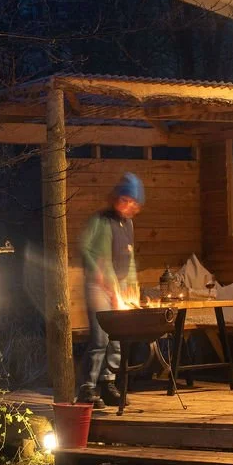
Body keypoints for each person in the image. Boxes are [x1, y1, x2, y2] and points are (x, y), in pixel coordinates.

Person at [77, 172, 145, 407]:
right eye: (124, 199)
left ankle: (108, 383)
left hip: (119, 285)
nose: (127, 205)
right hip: (98, 286)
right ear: (116, 197)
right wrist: (95, 269)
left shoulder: (129, 224)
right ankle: (87, 387)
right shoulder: (100, 220)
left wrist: (132, 285)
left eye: (132, 202)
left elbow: (130, 257)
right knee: (100, 338)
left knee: (117, 338)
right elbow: (85, 248)